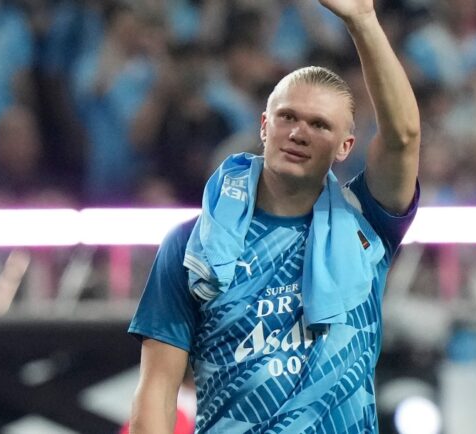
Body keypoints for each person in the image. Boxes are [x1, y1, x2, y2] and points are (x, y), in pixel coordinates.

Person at [128, 0, 421, 432]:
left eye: (320, 125)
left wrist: (363, 22)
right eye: (287, 117)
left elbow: (403, 136)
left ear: (345, 147)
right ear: (265, 125)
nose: (299, 132)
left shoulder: (366, 222)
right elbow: (156, 388)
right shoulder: (193, 244)